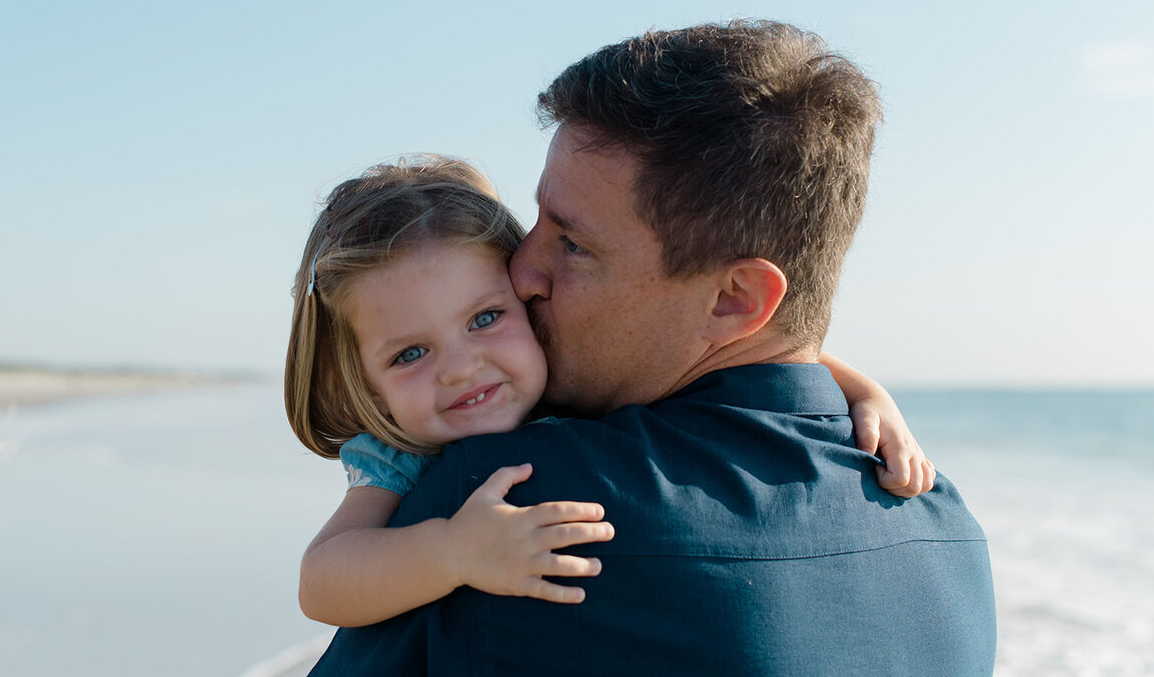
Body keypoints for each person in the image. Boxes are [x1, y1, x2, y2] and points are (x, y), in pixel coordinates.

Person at [306, 20, 996, 676]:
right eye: (538, 221)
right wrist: (858, 391)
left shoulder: (506, 499)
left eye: (573, 245)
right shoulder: (953, 535)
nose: (522, 272)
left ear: (734, 300)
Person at [284, 155, 926, 628]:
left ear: (528, 300)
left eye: (485, 319)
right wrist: (450, 552)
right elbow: (323, 582)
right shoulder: (402, 458)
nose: (459, 369)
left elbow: (770, 345)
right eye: (410, 354)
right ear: (362, 379)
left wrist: (866, 392)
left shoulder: (573, 385)